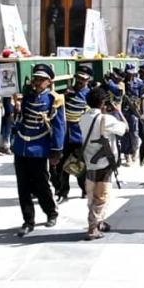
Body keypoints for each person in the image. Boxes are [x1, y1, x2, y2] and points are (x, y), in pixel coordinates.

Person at [12, 64, 65, 237]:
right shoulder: (26, 97)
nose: (37, 82)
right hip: (22, 146)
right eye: (36, 78)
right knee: (23, 186)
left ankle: (51, 212)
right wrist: (16, 109)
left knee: (41, 184)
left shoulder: (53, 99)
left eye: (41, 79)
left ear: (49, 82)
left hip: (39, 147)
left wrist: (56, 150)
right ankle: (28, 220)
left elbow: (59, 127)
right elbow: (19, 121)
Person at [79, 88, 127, 240]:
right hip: (104, 162)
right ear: (102, 103)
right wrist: (118, 112)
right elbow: (124, 128)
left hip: (88, 160)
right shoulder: (106, 119)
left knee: (91, 194)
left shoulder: (83, 118)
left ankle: (98, 222)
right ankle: (93, 227)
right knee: (102, 196)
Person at [55, 66, 92, 203]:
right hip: (65, 134)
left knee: (79, 165)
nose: (80, 81)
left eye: (83, 79)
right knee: (61, 165)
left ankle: (85, 189)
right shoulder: (66, 92)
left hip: (80, 135)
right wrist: (64, 95)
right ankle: (62, 191)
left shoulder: (89, 94)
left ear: (88, 80)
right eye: (79, 78)